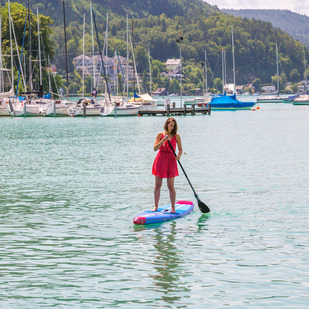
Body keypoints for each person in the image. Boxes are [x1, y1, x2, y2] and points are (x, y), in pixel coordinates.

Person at [152, 117, 183, 213]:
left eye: (173, 126)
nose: (172, 128)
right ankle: (156, 206)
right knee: (158, 185)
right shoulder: (160, 135)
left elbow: (180, 149)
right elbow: (155, 148)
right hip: (160, 160)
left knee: (170, 186)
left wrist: (178, 156)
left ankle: (173, 208)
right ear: (167, 125)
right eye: (170, 126)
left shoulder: (176, 136)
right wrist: (162, 141)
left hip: (171, 161)